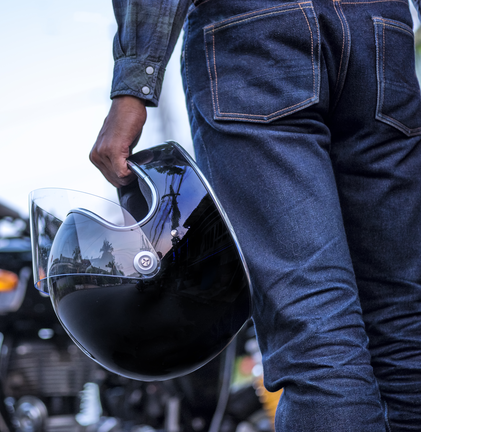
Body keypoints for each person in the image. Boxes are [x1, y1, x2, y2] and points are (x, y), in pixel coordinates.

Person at [89, 1, 421, 431]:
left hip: (256, 29)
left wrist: (133, 86)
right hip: (380, 30)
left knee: (317, 331)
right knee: (404, 327)